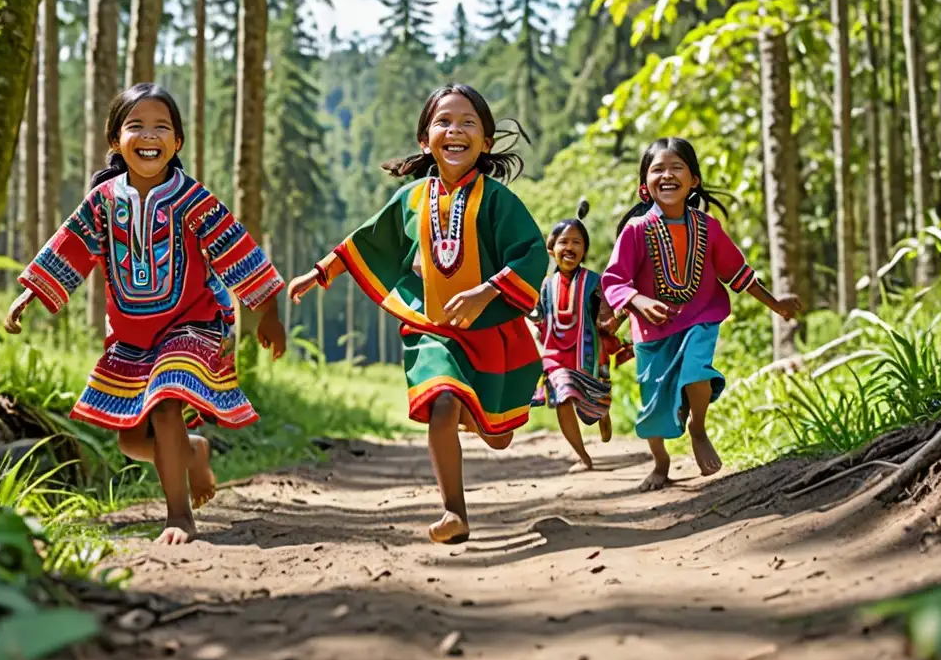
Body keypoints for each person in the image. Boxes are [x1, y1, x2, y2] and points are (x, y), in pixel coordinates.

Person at [4, 82, 287, 544]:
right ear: (116, 141)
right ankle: (193, 453)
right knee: (132, 440)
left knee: (167, 399)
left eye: (162, 127)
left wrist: (267, 311)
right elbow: (71, 247)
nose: (149, 135)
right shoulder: (102, 201)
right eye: (136, 126)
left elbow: (238, 250)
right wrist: (31, 292)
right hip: (132, 337)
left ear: (177, 142)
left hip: (193, 322)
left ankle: (178, 518)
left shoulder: (193, 199)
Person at [287, 83, 546, 545]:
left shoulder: (497, 200)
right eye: (444, 121)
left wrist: (486, 292)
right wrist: (319, 273)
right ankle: (454, 512)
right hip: (431, 329)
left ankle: (479, 411)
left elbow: (530, 254)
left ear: (486, 142)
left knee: (499, 434)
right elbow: (368, 239)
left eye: (469, 122)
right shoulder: (409, 198)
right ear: (425, 141)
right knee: (441, 400)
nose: (456, 130)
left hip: (490, 329)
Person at [601, 137, 800, 492]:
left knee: (697, 371)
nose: (667, 175)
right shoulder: (635, 231)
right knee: (655, 409)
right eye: (657, 169)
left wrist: (776, 305)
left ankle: (698, 427)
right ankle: (661, 463)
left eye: (677, 167)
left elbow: (738, 274)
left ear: (694, 180)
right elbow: (615, 280)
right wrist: (638, 303)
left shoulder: (708, 227)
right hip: (651, 333)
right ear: (643, 186)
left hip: (699, 317)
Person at [530, 199, 633, 472]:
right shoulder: (544, 285)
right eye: (564, 242)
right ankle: (582, 457)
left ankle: (602, 412)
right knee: (563, 398)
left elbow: (606, 319)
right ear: (552, 250)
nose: (570, 247)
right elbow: (538, 317)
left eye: (577, 242)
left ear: (585, 250)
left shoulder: (594, 282)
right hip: (555, 357)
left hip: (590, 355)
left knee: (593, 404)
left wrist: (622, 314)